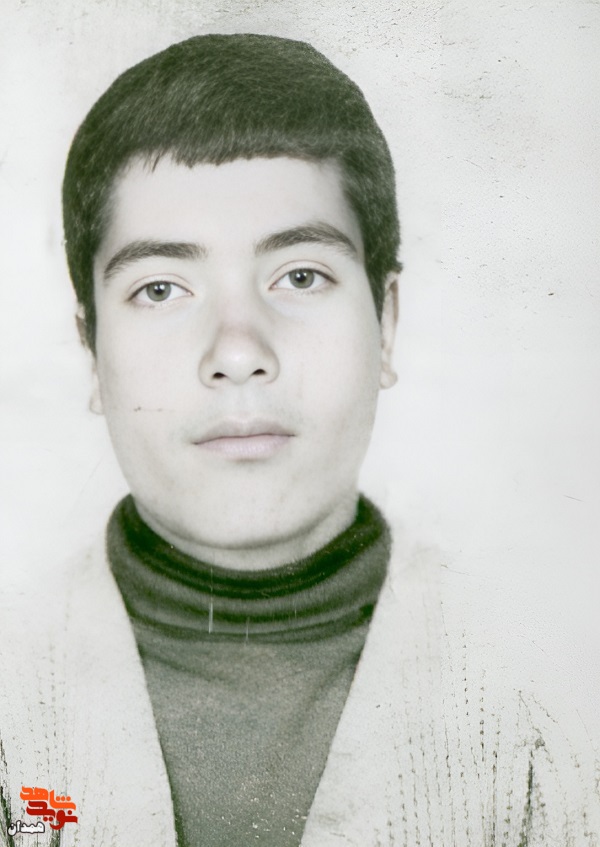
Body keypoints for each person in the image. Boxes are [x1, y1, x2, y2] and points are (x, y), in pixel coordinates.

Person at [0, 33, 598, 847]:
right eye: (162, 288)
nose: (238, 351)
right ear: (91, 350)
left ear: (386, 323)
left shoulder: (561, 709)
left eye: (301, 276)